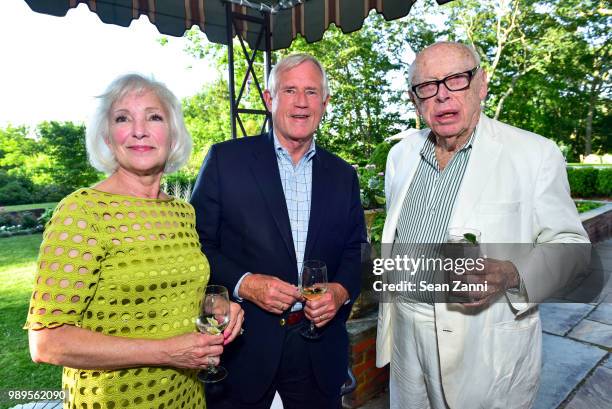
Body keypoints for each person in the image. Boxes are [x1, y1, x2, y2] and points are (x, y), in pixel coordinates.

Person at [376, 42, 590, 408]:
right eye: (427, 86)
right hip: (406, 336)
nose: (442, 96)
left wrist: (512, 273)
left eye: (456, 80)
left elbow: (573, 247)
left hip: (485, 345)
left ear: (482, 85)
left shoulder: (535, 154)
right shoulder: (400, 156)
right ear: (416, 100)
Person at [24, 73, 244, 409]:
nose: (139, 129)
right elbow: (46, 343)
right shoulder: (82, 212)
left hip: (186, 397)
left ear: (172, 136)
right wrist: (168, 352)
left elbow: (172, 293)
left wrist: (217, 306)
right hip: (117, 400)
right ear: (108, 138)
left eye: (154, 117)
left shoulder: (182, 212)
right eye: (123, 118)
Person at [191, 53, 366, 409]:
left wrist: (340, 290)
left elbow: (356, 250)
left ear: (325, 103)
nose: (301, 102)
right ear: (269, 100)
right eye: (289, 90)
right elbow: (197, 244)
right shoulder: (226, 161)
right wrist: (246, 283)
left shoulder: (343, 175)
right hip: (244, 349)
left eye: (312, 92)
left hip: (319, 352)